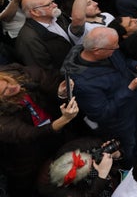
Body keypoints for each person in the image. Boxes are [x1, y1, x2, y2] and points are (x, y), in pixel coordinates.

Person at [62, 27, 137, 166]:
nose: (117, 47)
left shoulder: (108, 51)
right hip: (118, 122)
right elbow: (102, 113)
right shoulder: (84, 83)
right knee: (127, 147)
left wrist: (136, 66)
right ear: (97, 50)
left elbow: (123, 61)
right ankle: (135, 168)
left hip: (130, 108)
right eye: (113, 46)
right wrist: (130, 88)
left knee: (135, 138)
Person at [0, 64, 79, 195]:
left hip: (57, 133)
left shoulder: (16, 74)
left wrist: (59, 91)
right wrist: (64, 119)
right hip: (28, 157)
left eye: (8, 82)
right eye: (5, 92)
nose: (13, 87)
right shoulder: (3, 122)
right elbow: (31, 135)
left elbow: (45, 78)